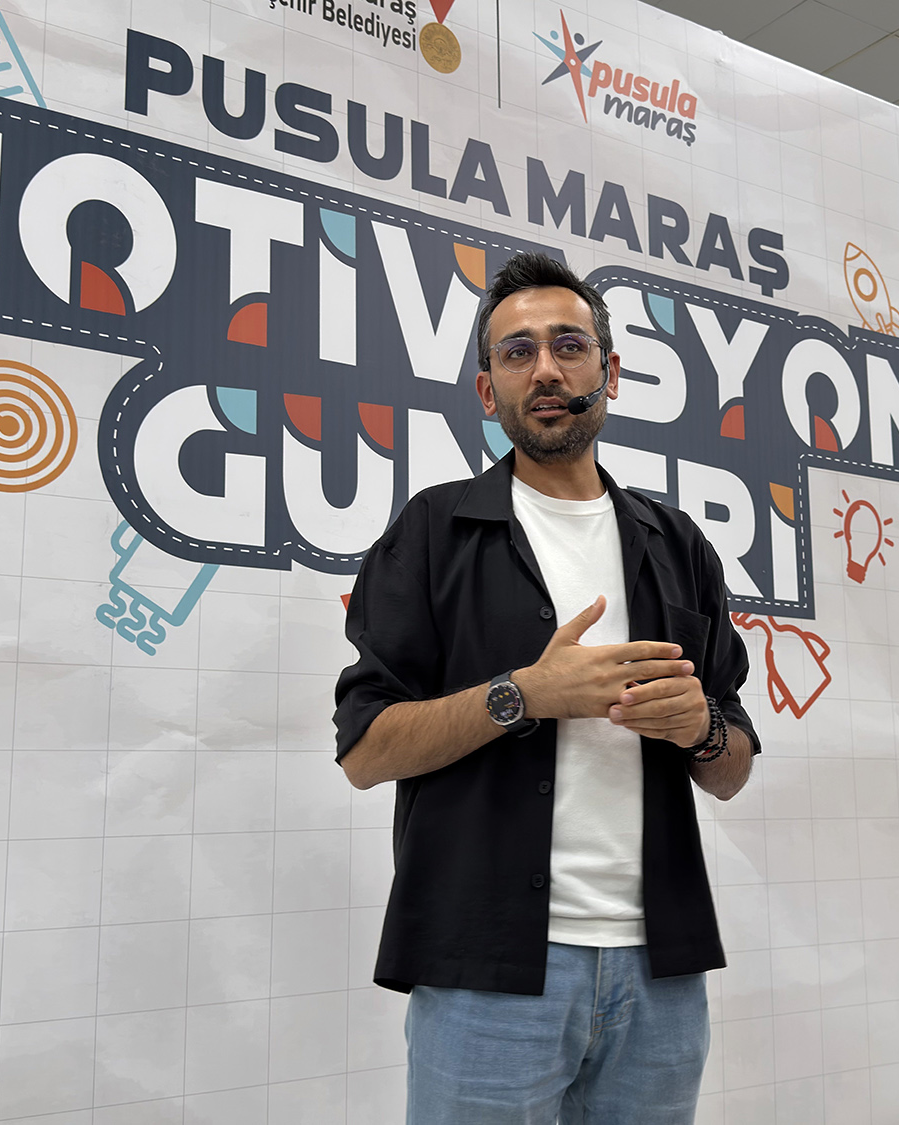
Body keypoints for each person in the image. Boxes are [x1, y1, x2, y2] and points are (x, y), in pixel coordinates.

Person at [333, 251, 760, 1124]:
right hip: (485, 974)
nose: (547, 370)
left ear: (611, 371)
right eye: (518, 352)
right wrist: (522, 693)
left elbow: (733, 765)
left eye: (570, 345)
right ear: (487, 390)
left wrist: (701, 728)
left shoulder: (679, 543)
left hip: (661, 974)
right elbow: (365, 751)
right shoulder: (433, 531)